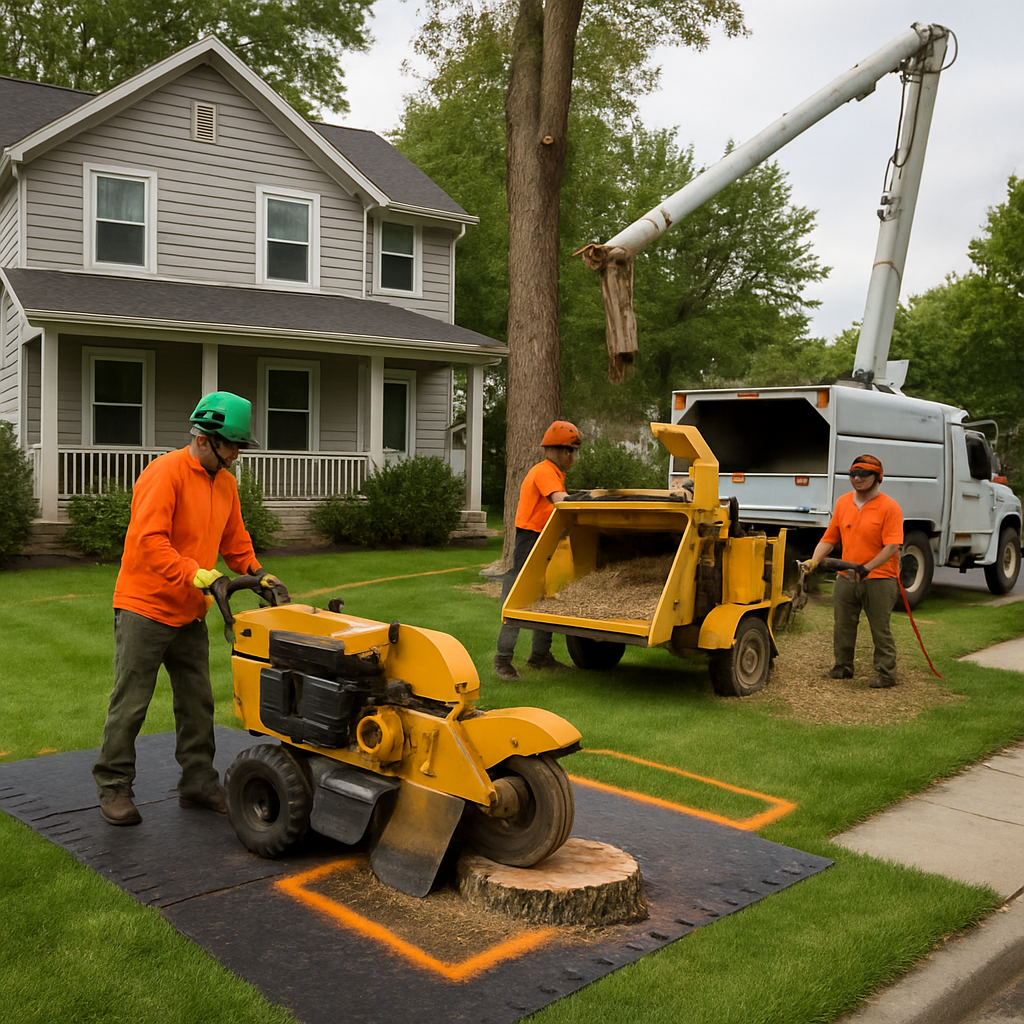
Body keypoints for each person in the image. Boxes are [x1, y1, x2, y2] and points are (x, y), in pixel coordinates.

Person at [92, 392, 288, 825]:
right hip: (144, 608)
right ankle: (113, 787)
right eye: (232, 444)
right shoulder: (164, 474)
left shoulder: (226, 483)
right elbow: (149, 543)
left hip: (189, 613)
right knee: (131, 703)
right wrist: (200, 575)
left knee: (198, 703)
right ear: (205, 439)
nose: (237, 454)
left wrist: (259, 575)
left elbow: (235, 542)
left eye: (239, 445)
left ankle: (198, 784)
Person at [801, 454, 904, 688]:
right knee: (843, 624)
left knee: (880, 627)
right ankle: (843, 667)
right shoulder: (843, 503)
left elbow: (892, 546)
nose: (857, 478)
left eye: (864, 474)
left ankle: (886, 674)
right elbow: (830, 538)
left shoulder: (890, 508)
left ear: (877, 477)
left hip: (879, 578)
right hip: (846, 576)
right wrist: (814, 561)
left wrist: (867, 568)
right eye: (853, 474)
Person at [494, 420, 582, 681]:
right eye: (573, 451)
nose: (574, 457)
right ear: (563, 451)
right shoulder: (544, 472)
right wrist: (585, 500)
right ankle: (502, 661)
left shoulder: (554, 473)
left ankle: (540, 656)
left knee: (545, 597)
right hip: (531, 541)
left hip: (542, 539)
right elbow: (560, 502)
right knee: (520, 599)